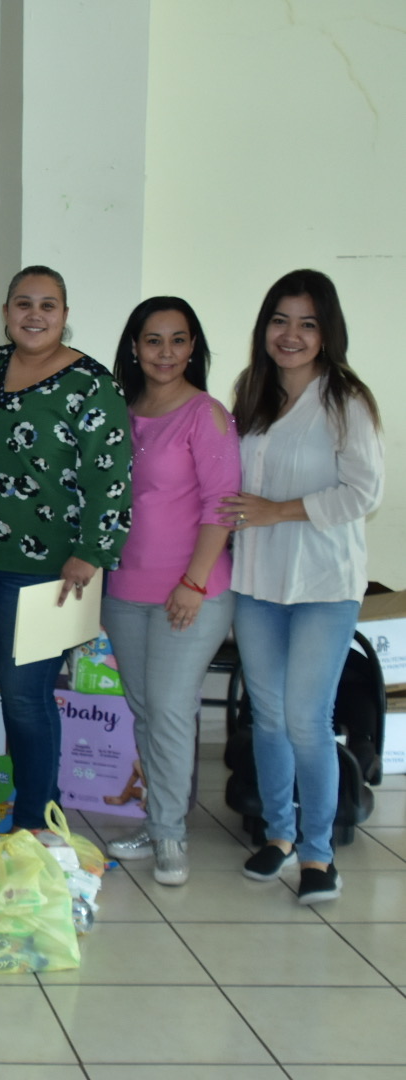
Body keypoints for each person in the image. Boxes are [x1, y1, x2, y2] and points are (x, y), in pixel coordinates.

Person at [220, 269, 383, 905]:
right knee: (267, 716)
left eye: (307, 323)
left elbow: (364, 493)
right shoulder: (252, 393)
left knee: (307, 721)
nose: (291, 335)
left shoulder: (346, 401)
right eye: (280, 321)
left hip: (321, 584)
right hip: (258, 581)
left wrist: (277, 510)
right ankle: (278, 835)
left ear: (327, 332)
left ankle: (319, 853)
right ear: (265, 329)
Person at [0, 266, 132, 832]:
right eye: (23, 303)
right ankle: (34, 808)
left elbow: (114, 478)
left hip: (50, 569)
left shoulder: (92, 384)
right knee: (12, 692)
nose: (35, 315)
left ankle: (36, 820)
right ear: (6, 311)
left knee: (27, 699)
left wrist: (92, 551)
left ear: (65, 314)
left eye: (48, 305)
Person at [99, 297, 240, 887]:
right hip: (125, 588)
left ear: (193, 348)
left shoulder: (205, 414)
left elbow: (221, 506)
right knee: (145, 709)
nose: (165, 352)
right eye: (152, 341)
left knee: (172, 711)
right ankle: (157, 819)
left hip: (191, 591)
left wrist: (193, 581)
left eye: (177, 340)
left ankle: (170, 837)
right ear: (134, 347)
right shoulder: (121, 410)